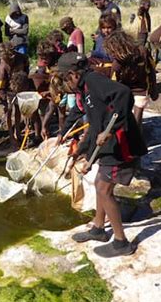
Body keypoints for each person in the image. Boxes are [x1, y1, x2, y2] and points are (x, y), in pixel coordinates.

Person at [56, 52, 147, 258]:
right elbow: (96, 124)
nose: (65, 83)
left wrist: (109, 131)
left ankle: (121, 242)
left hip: (121, 145)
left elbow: (123, 93)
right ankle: (98, 228)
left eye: (64, 78)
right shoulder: (86, 89)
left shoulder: (93, 81)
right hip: (108, 145)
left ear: (73, 74)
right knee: (99, 182)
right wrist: (85, 155)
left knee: (104, 189)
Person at [103, 30, 158, 126]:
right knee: (124, 118)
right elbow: (113, 84)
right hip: (124, 90)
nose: (112, 55)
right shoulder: (117, 64)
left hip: (141, 88)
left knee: (137, 121)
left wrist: (154, 89)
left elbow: (151, 69)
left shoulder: (143, 52)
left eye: (113, 52)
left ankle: (137, 139)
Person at [0, 42, 30, 147]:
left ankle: (18, 132)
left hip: (20, 87)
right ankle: (11, 136)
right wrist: (3, 98)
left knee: (18, 109)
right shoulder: (2, 68)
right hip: (8, 89)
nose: (10, 62)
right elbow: (0, 87)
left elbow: (27, 70)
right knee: (8, 111)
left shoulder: (22, 58)